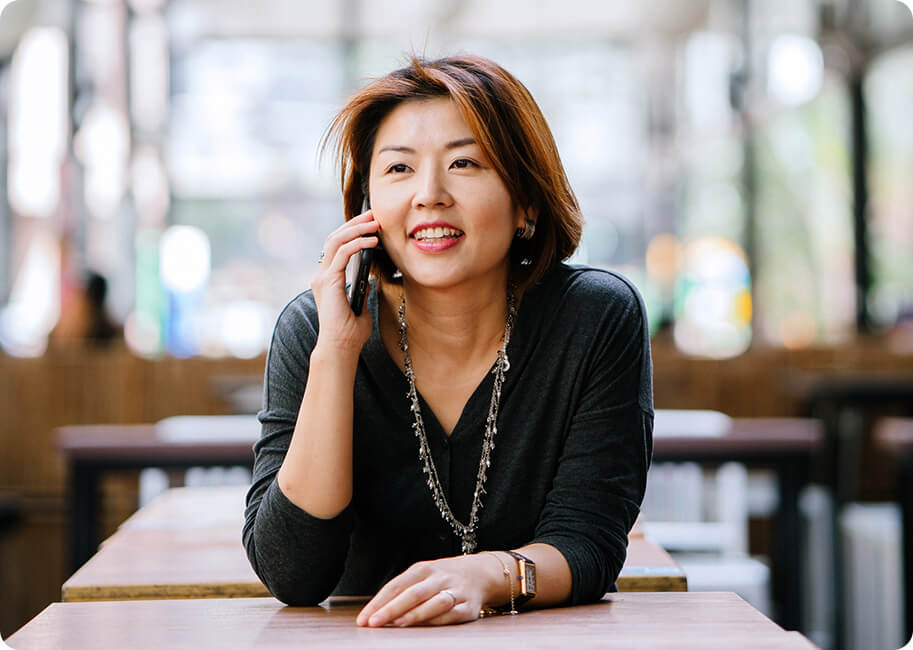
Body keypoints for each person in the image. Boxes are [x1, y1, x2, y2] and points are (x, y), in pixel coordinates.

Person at [243, 54, 653, 627]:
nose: (429, 194)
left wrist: (487, 577)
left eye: (464, 163)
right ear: (367, 209)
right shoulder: (314, 328)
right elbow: (294, 575)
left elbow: (589, 544)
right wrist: (336, 351)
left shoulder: (594, 317)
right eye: (398, 169)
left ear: (526, 203)